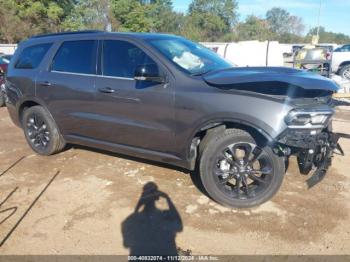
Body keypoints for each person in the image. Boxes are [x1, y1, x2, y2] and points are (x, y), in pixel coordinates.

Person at [122, 182, 183, 256]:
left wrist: (138, 206)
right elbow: (179, 226)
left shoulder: (129, 220)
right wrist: (167, 198)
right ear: (158, 197)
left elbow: (126, 244)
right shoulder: (164, 215)